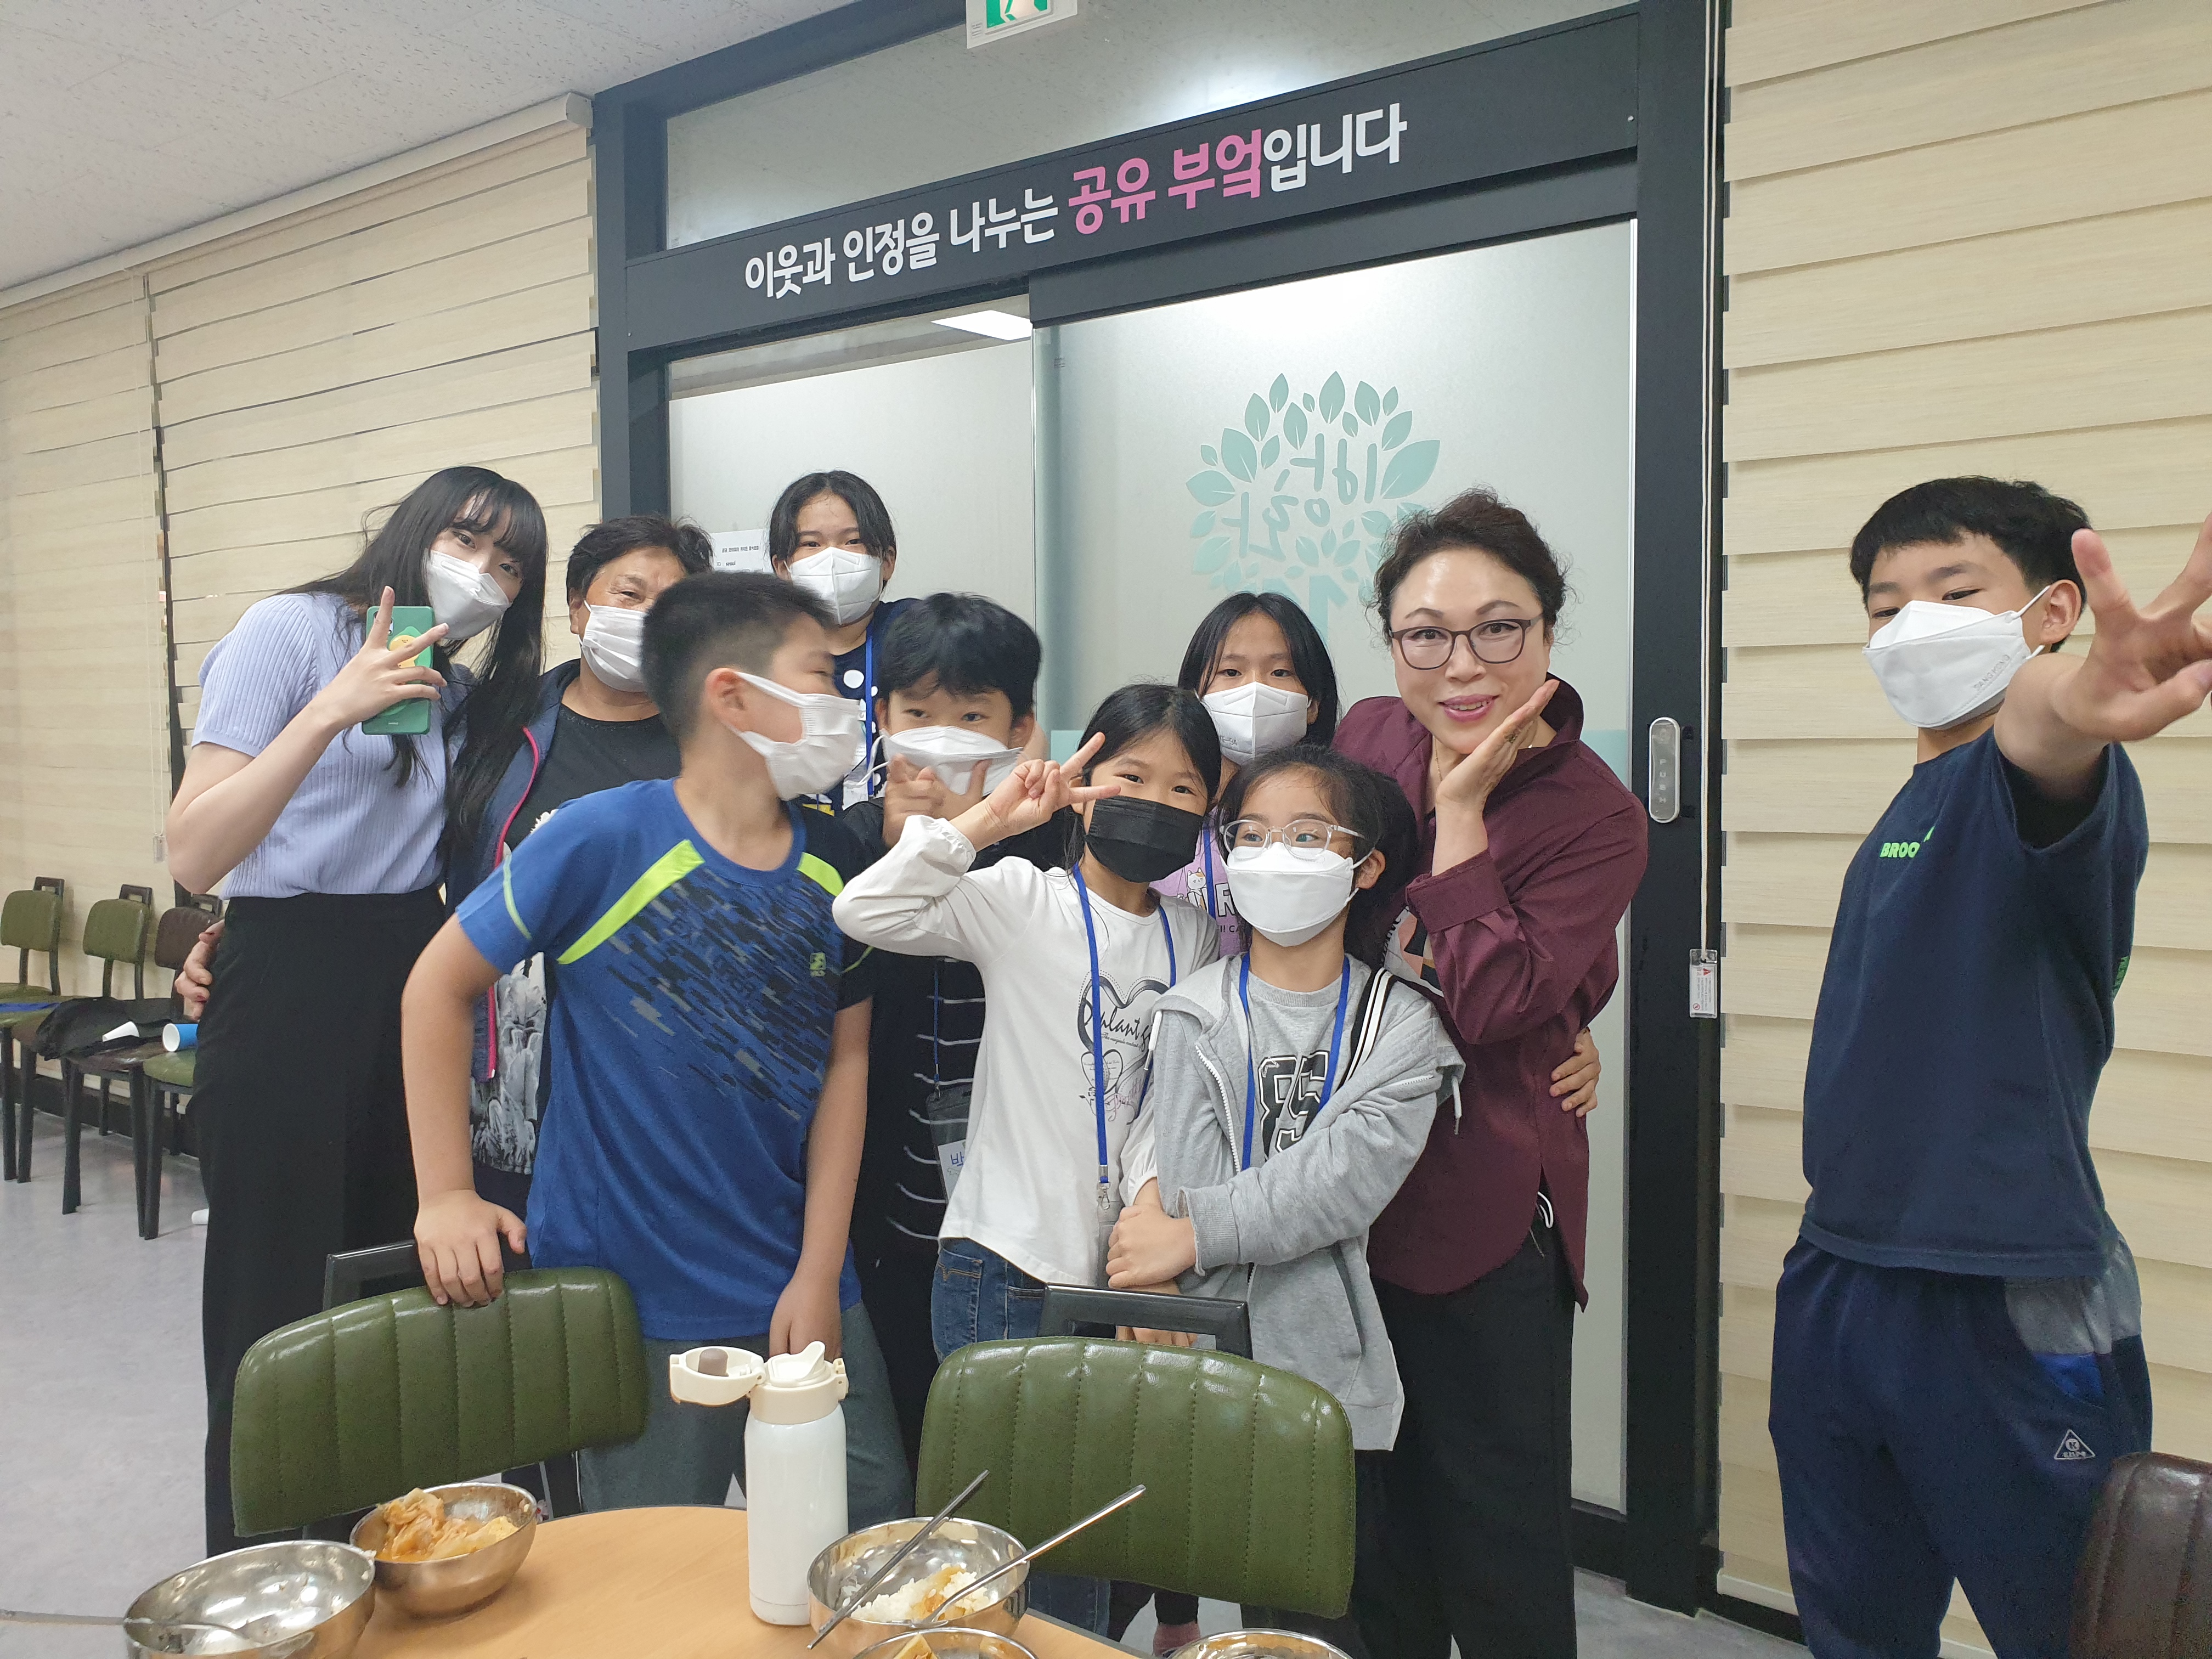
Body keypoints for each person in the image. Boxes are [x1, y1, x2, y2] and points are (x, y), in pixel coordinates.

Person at [1770, 479, 2211, 1656]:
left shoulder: (2033, 780)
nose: (1911, 623)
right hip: (1841, 1277)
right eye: (1885, 605)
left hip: (2007, 1292)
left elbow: (2045, 725)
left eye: (1954, 592)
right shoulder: (1913, 803)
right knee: (1853, 1628)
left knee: (2072, 1628)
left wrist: (2082, 694)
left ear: (2053, 613)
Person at [398, 572, 911, 1527]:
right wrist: (445, 1193)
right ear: (732, 696)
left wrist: (818, 1268)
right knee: (648, 1553)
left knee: (863, 1534)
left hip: (803, 1282)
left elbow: (847, 1064)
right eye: (820, 676)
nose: (846, 704)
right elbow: (436, 985)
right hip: (637, 1296)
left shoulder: (833, 862)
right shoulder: (599, 838)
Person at [166, 465, 549, 1554]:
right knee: (274, 1306)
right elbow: (196, 849)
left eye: (508, 564)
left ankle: (387, 1560)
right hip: (284, 985)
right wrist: (332, 706)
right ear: (415, 530)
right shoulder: (288, 631)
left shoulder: (456, 693)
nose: (480, 573)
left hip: (406, 981)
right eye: (466, 540)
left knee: (390, 1311)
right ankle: (266, 1579)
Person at [833, 684, 1223, 1633]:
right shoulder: (1021, 897)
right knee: (1015, 1543)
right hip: (1004, 1267)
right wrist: (992, 820)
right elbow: (864, 907)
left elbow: (1170, 1099)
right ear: (1083, 783)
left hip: (1121, 1279)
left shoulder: (1198, 934)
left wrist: (1147, 1214)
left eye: (1183, 788)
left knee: (1085, 1537)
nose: (1155, 802)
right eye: (1130, 776)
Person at [1333, 487, 1648, 1657]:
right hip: (1340, 1202)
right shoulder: (1370, 737)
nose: (1462, 665)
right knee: (1369, 1545)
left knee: (1498, 1547)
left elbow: (1498, 1001)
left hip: (1483, 1211)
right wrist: (1578, 998)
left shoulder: (1593, 813)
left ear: (1548, 632)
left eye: (1498, 628)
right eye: (1426, 634)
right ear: (1392, 642)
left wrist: (1461, 814)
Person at [1107, 747, 1464, 1659]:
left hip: (1323, 1374)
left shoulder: (1402, 1024)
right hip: (1193, 1357)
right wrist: (1183, 1228)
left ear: (1365, 866)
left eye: (1307, 836)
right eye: (1253, 836)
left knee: (1311, 1623)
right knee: (1131, 1583)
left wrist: (1191, 1235)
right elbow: (1187, 1176)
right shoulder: (1193, 1010)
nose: (1275, 856)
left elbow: (1341, 1183)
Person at [834, 593, 1067, 1471]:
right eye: (919, 713)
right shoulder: (850, 840)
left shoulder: (1053, 842)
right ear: (883, 718)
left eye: (972, 717)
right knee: (904, 1417)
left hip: (1018, 1210)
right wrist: (900, 849)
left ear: (1021, 728)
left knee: (1013, 1439)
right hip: (889, 1197)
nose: (942, 739)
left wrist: (977, 831)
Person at [444, 514, 714, 1218]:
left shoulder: (718, 750)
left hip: (663, 1093)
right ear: (577, 607)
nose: (648, 619)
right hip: (510, 1090)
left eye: (672, 606)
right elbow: (405, 852)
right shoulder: (494, 726)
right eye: (630, 595)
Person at [1155, 592, 1341, 956]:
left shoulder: (1338, 817)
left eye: (1281, 672)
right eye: (1231, 672)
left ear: (1313, 704)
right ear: (1195, 696)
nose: (1255, 690)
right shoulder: (1167, 813)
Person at [768, 470, 917, 807]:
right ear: (783, 568)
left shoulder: (918, 632)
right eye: (811, 544)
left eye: (853, 541)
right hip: (799, 836)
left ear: (887, 561)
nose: (833, 558)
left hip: (909, 831)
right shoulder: (759, 650)